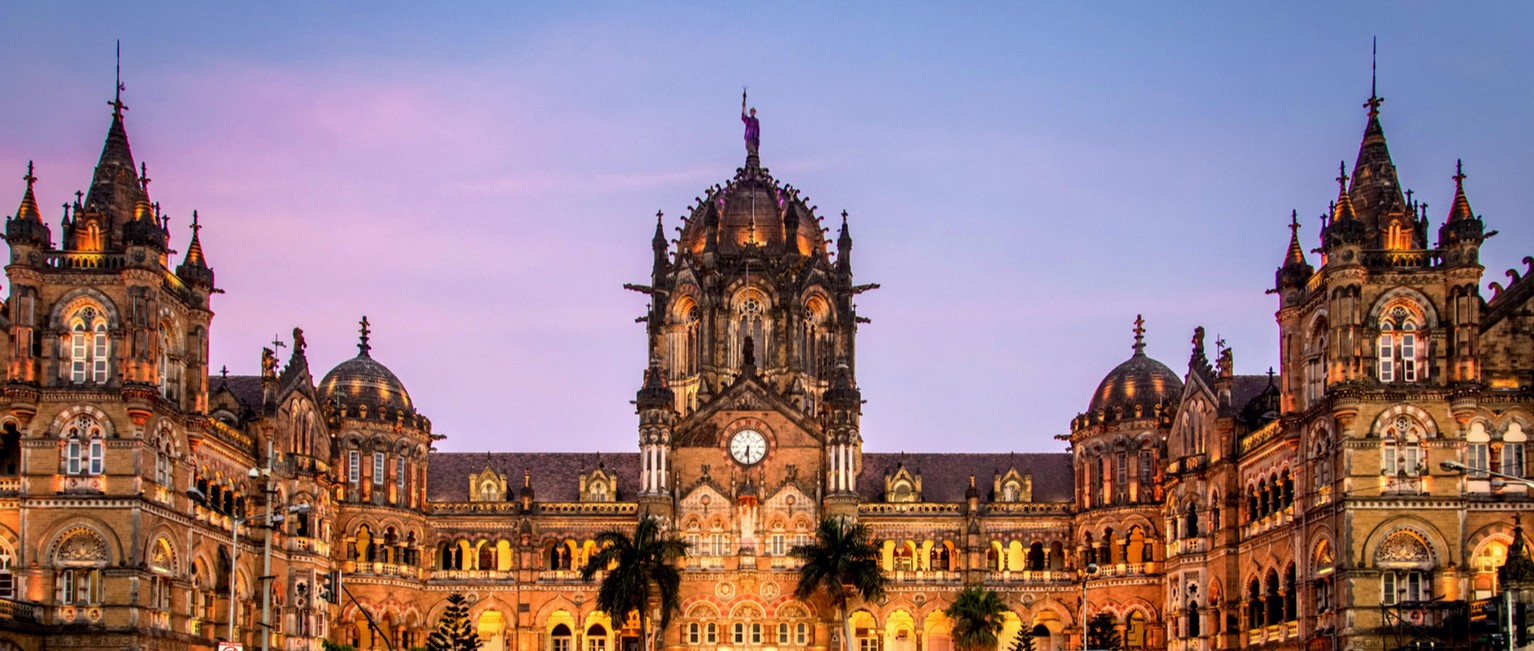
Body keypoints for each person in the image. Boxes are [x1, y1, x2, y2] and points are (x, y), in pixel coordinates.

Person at [742, 91, 760, 156]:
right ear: (750, 112)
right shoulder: (748, 120)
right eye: (751, 111)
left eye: (754, 111)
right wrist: (744, 101)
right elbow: (743, 116)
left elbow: (758, 131)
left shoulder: (756, 121)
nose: (753, 112)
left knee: (754, 150)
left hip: (754, 137)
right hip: (749, 136)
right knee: (751, 150)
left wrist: (757, 138)